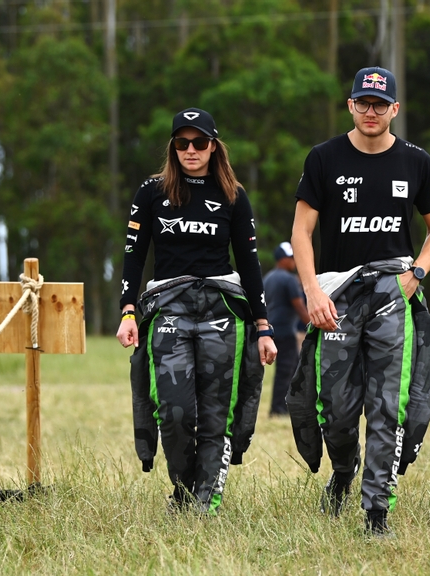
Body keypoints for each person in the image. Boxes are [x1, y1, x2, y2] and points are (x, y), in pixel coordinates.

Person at [287, 66, 430, 537]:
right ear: (350, 106)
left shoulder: (416, 161)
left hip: (392, 292)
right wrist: (312, 290)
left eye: (380, 105)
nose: (370, 112)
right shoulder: (323, 158)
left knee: (388, 405)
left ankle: (376, 510)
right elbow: (301, 232)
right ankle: (344, 472)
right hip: (337, 294)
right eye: (362, 103)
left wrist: (416, 274)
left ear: (394, 110)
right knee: (337, 410)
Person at [116, 108, 277, 515]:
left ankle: (206, 500)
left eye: (199, 142)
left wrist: (263, 325)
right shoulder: (150, 192)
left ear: (213, 146)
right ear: (173, 147)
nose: (191, 150)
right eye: (182, 143)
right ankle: (184, 488)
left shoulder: (233, 195)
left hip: (220, 308)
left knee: (214, 414)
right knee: (174, 411)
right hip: (169, 308)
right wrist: (128, 311)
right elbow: (134, 257)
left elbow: (250, 262)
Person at [263, 241, 310, 416]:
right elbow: (298, 305)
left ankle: (284, 406)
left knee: (288, 369)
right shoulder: (289, 279)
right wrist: (312, 325)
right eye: (291, 258)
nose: (294, 261)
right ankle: (279, 408)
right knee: (287, 371)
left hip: (272, 330)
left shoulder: (268, 278)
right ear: (282, 259)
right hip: (286, 332)